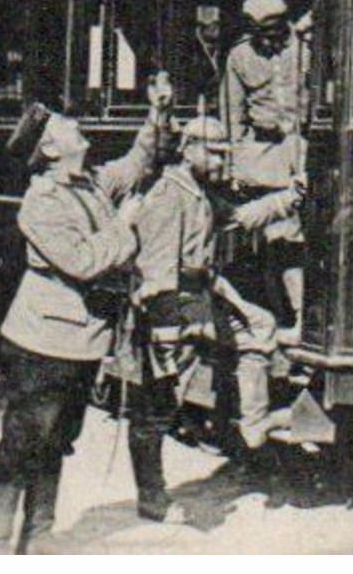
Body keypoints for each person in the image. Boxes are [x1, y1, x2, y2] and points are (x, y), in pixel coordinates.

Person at [0, 89, 166, 553]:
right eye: (65, 124)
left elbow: (137, 161)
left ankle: (38, 538)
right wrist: (125, 227)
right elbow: (82, 262)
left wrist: (157, 111)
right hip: (42, 343)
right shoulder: (41, 202)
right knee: (22, 443)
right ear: (50, 148)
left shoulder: (90, 183)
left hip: (82, 343)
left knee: (57, 441)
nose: (76, 123)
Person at [126, 116, 299, 518]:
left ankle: (252, 431)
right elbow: (156, 268)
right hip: (175, 302)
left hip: (204, 290)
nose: (221, 162)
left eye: (224, 153)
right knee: (159, 404)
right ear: (187, 149)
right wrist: (166, 330)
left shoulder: (198, 190)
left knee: (258, 328)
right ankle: (152, 496)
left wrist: (289, 197)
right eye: (213, 152)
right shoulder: (170, 194)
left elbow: (238, 217)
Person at [222, 0, 310, 342]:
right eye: (260, 33)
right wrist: (237, 164)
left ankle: (297, 317)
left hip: (304, 148)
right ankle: (292, 317)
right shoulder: (240, 56)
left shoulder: (305, 48)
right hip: (265, 157)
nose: (269, 40)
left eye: (274, 31)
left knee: (301, 237)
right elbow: (233, 115)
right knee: (280, 236)